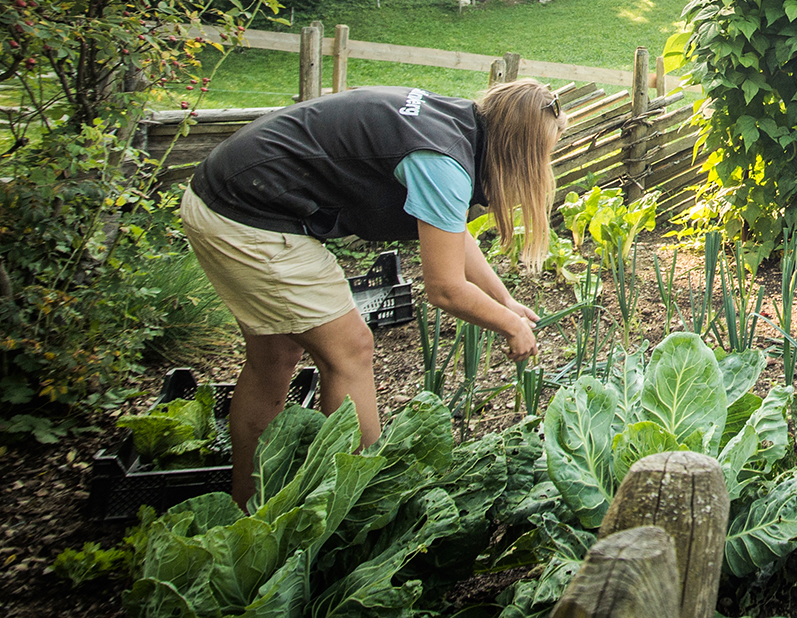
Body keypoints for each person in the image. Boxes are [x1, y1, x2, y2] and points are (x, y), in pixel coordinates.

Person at [180, 79, 564, 502]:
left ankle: (247, 504)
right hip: (249, 215)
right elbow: (445, 289)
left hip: (228, 192)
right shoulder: (443, 162)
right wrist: (509, 325)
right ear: (522, 150)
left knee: (274, 357)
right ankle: (358, 505)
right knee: (350, 352)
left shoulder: (457, 127)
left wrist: (504, 300)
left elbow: (453, 235)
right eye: (547, 149)